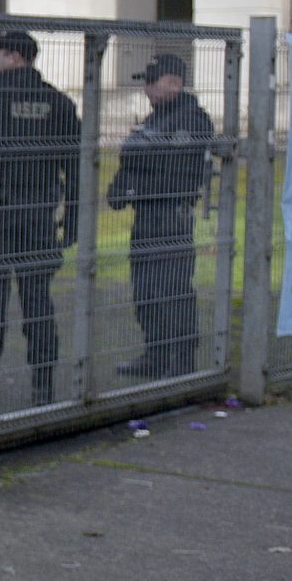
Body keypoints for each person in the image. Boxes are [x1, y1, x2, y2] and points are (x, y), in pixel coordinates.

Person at [0, 30, 80, 407]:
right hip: (38, 218)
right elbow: (75, 166)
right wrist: (74, 217)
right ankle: (43, 386)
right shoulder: (59, 104)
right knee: (39, 304)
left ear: (14, 57)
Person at [104, 51, 217, 379]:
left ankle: (180, 361)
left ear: (175, 83)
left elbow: (175, 169)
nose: (148, 90)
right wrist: (125, 185)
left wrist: (136, 181)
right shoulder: (155, 119)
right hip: (147, 217)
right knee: (145, 289)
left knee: (173, 290)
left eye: (155, 82)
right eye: (148, 83)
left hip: (172, 215)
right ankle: (155, 353)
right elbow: (131, 159)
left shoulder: (191, 119)